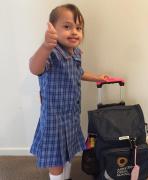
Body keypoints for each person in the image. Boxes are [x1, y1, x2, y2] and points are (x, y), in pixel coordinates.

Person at [29, 4, 108, 180]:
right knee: (56, 158)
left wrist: (97, 77)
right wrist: (45, 46)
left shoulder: (76, 53)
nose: (74, 32)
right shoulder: (51, 53)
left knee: (68, 152)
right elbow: (34, 68)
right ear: (52, 29)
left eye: (78, 28)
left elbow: (79, 73)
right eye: (67, 26)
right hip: (54, 120)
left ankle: (65, 177)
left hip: (71, 115)